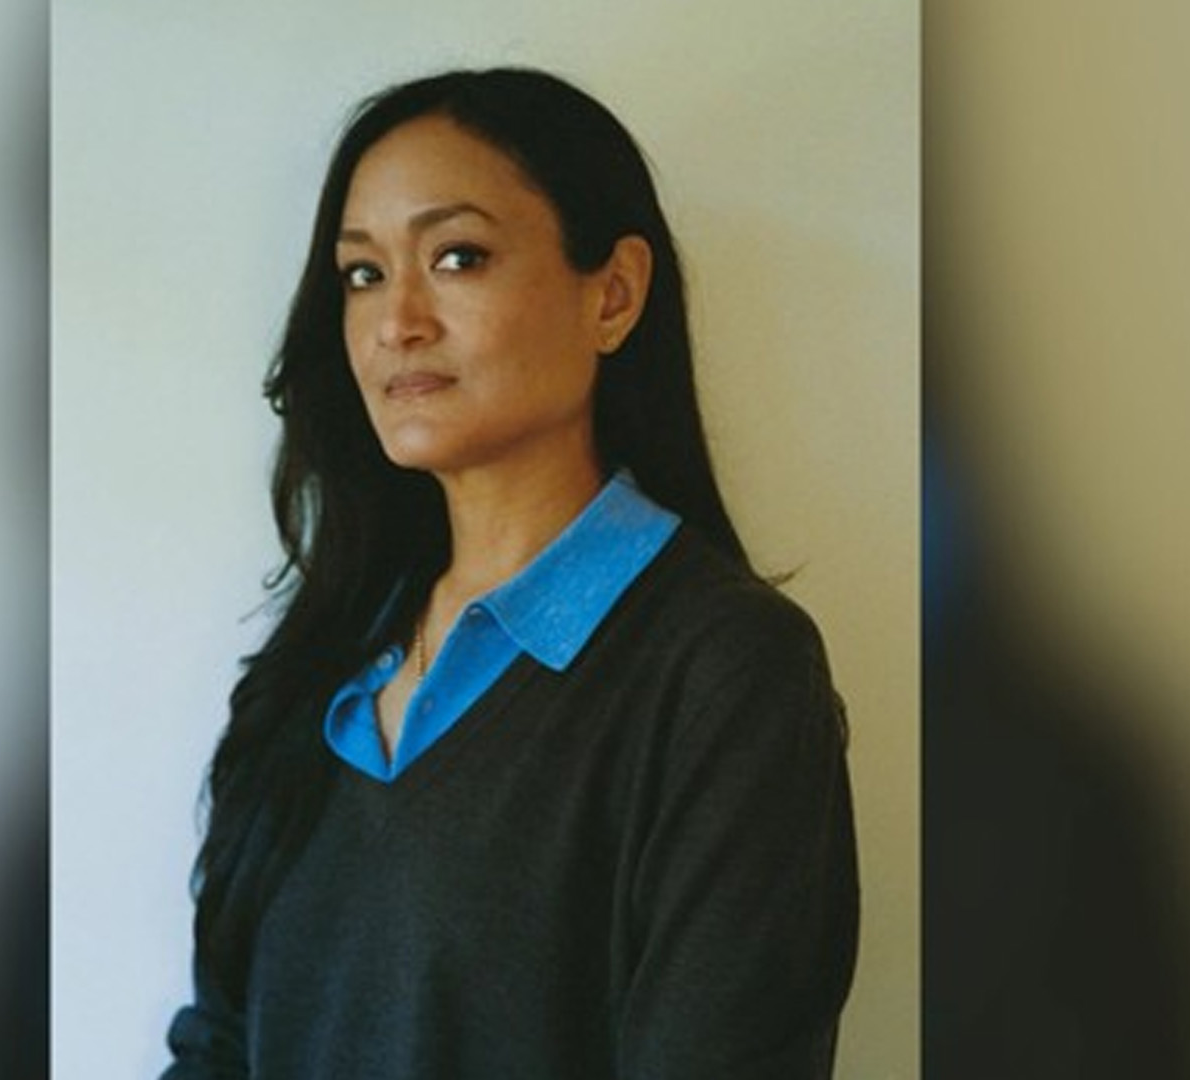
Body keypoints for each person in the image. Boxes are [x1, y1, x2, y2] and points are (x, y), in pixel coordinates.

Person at [163, 67, 858, 1079]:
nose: (396, 321)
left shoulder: (725, 672)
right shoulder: (322, 661)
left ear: (613, 295)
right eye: (362, 274)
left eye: (457, 256)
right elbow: (218, 1043)